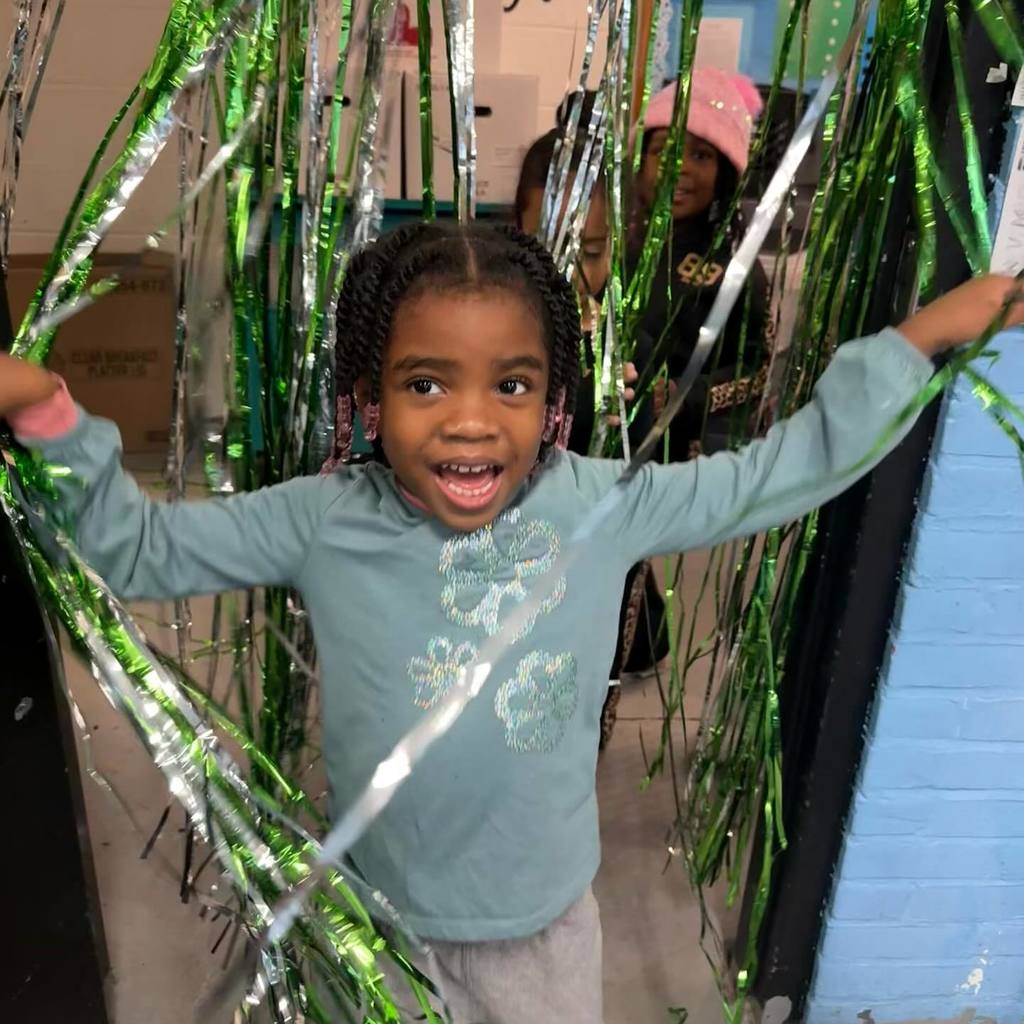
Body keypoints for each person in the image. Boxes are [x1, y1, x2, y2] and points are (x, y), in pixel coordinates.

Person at [2, 221, 1019, 1024]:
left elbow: (775, 473)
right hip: (374, 920)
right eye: (425, 382)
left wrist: (917, 340)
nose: (471, 419)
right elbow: (138, 551)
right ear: (367, 395)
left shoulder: (602, 501)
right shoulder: (321, 518)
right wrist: (51, 413)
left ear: (555, 397)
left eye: (513, 384)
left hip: (539, 931)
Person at [515, 120, 667, 744]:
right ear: (517, 227)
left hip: (590, 568)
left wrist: (624, 415)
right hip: (503, 559)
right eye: (556, 243)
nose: (576, 272)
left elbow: (640, 464)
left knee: (577, 702)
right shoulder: (483, 321)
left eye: (596, 252)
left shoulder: (618, 337)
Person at [633, 66, 772, 459]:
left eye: (700, 154)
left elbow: (757, 371)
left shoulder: (735, 270)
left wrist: (683, 396)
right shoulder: (616, 240)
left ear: (724, 173)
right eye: (664, 149)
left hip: (681, 455)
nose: (679, 166)